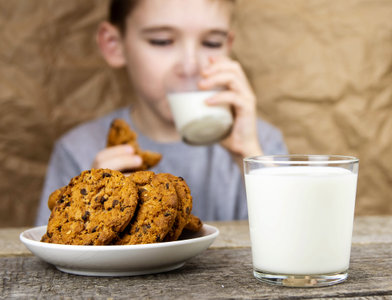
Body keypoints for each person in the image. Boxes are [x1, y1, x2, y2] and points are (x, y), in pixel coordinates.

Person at [35, 0, 287, 225]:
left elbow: (294, 241)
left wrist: (249, 154)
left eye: (212, 43)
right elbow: (55, 250)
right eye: (162, 41)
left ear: (228, 47)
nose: (190, 66)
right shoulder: (78, 150)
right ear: (115, 44)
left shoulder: (261, 146)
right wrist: (93, 204)